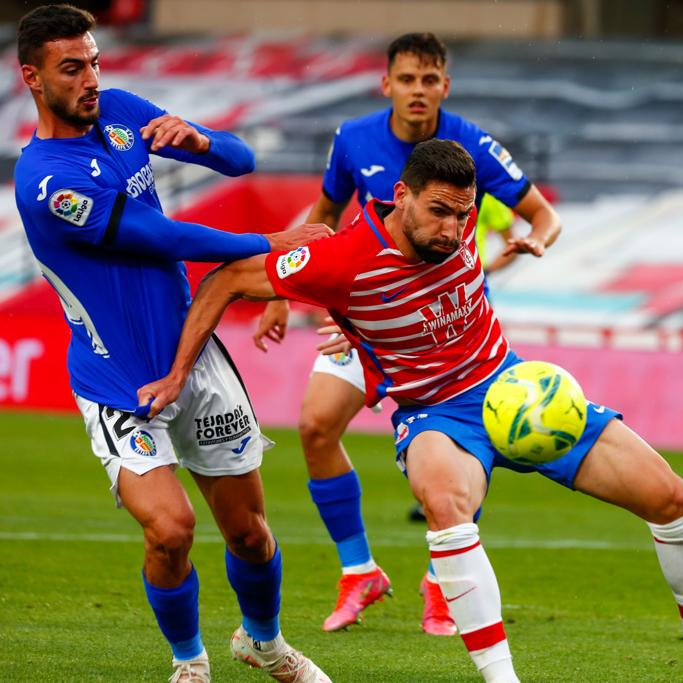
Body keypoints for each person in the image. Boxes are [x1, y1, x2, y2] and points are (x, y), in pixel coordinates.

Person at [139, 139, 683, 683]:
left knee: (674, 500)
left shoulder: (457, 221)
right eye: (440, 213)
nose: (454, 231)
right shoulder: (339, 259)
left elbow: (479, 252)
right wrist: (177, 373)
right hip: (436, 415)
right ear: (401, 198)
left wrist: (373, 321)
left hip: (515, 386)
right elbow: (226, 280)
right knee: (447, 509)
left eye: (464, 215)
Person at [14, 6, 332, 682]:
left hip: (197, 356)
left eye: (94, 61)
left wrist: (203, 139)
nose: (91, 78)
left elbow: (242, 162)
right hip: (117, 380)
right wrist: (272, 244)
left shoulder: (124, 112)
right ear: (33, 78)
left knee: (249, 531)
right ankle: (190, 661)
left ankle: (265, 643)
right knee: (172, 527)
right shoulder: (46, 180)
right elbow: (163, 238)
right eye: (72, 68)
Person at [251, 32, 562, 636]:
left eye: (429, 80)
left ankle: (443, 580)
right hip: (368, 320)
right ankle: (358, 571)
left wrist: (534, 242)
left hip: (450, 328)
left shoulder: (472, 145)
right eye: (407, 80)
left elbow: (544, 215)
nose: (418, 91)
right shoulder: (354, 139)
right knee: (315, 426)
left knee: (474, 442)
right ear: (386, 83)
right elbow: (323, 217)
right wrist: (286, 295)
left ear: (445, 85)